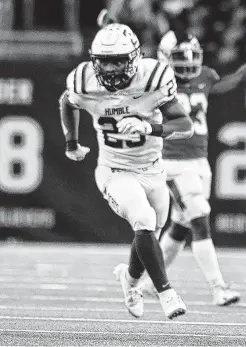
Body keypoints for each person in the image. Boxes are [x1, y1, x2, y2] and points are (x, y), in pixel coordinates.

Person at [58, 23, 194, 320]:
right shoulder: (84, 81)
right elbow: (66, 102)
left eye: (118, 59)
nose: (111, 67)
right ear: (94, 60)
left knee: (149, 235)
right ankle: (166, 293)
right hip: (114, 168)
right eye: (105, 61)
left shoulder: (153, 78)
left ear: (134, 57)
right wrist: (72, 143)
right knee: (143, 220)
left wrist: (149, 126)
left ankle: (129, 282)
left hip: (153, 170)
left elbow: (185, 126)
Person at [138, 29, 246, 305]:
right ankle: (218, 287)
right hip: (173, 163)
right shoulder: (155, 83)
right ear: (165, 58)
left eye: (191, 56)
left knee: (180, 225)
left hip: (199, 161)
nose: (187, 62)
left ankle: (149, 284)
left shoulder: (205, 77)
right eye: (179, 57)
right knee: (199, 218)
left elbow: (233, 80)